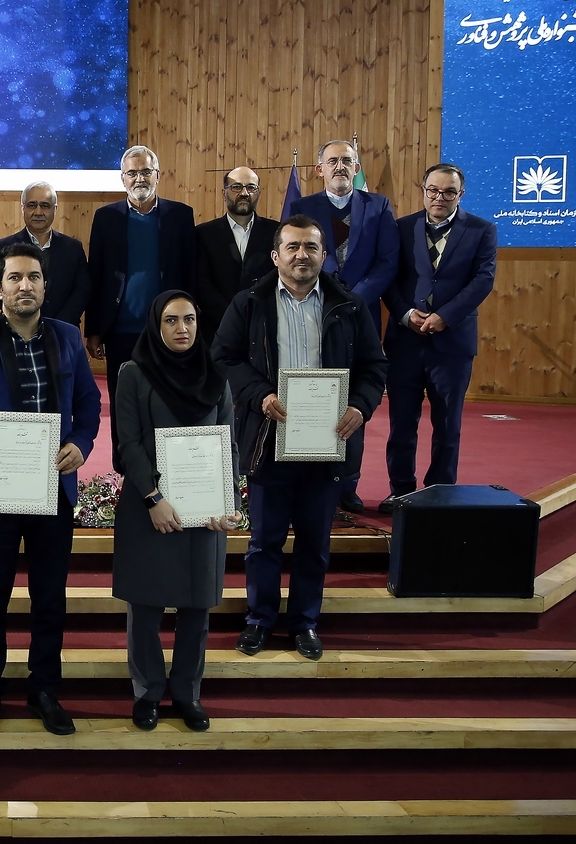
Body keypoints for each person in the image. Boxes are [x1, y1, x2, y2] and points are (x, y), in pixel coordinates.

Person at [211, 216, 387, 661]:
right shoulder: (249, 302)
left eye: (311, 247)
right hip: (270, 438)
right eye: (292, 247)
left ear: (324, 255)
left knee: (315, 543)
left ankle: (305, 623)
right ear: (276, 255)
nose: (301, 255)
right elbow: (224, 358)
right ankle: (259, 621)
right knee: (264, 542)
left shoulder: (349, 305)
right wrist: (259, 395)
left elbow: (375, 368)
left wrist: (360, 407)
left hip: (327, 442)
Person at [0, 241, 101, 736]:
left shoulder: (66, 338)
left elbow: (90, 403)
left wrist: (81, 441)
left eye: (33, 277)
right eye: (14, 278)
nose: (25, 286)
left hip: (53, 490)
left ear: (45, 286)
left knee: (49, 597)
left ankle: (44, 688)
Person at [111, 291, 240, 733]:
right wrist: (153, 499)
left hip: (203, 512)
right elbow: (128, 443)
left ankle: (187, 692)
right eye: (170, 320)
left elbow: (229, 445)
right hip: (150, 509)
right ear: (156, 324)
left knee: (196, 608)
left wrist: (228, 502)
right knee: (145, 609)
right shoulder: (134, 373)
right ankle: (147, 692)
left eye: (188, 319)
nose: (181, 328)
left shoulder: (215, 376)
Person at [287, 141, 399, 513]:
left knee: (353, 398)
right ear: (319, 169)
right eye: (332, 161)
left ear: (356, 168)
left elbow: (387, 262)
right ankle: (304, 477)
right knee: (312, 393)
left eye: (346, 161)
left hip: (361, 315)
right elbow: (294, 255)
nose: (339, 166)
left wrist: (357, 298)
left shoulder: (378, 206)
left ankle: (347, 484)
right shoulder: (303, 207)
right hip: (313, 310)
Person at [380, 163, 497, 513]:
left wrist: (444, 317)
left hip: (453, 344)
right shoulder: (401, 228)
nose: (439, 198)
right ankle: (400, 491)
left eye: (448, 192)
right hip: (405, 341)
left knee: (447, 424)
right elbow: (389, 277)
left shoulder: (481, 230)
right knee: (402, 423)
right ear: (423, 190)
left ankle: (440, 494)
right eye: (433, 190)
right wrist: (403, 314)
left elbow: (483, 280)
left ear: (460, 195)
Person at [87, 145, 197, 368]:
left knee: (166, 400)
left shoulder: (180, 216)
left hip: (168, 329)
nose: (140, 178)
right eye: (132, 173)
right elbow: (96, 276)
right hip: (119, 332)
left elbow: (191, 273)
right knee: (122, 400)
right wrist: (93, 331)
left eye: (146, 172)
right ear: (123, 178)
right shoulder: (106, 217)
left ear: (157, 175)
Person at [195, 166, 280, 335]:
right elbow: (200, 284)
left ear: (258, 193)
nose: (244, 193)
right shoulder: (202, 234)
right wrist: (231, 319)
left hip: (264, 327)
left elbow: (279, 278)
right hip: (216, 330)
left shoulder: (276, 232)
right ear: (223, 193)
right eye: (236, 187)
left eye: (251, 187)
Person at [0, 182, 90, 327]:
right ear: (22, 208)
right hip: (16, 328)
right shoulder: (2, 247)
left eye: (45, 205)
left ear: (54, 209)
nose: (38, 212)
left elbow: (82, 291)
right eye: (32, 205)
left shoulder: (73, 248)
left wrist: (58, 325)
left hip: (63, 329)